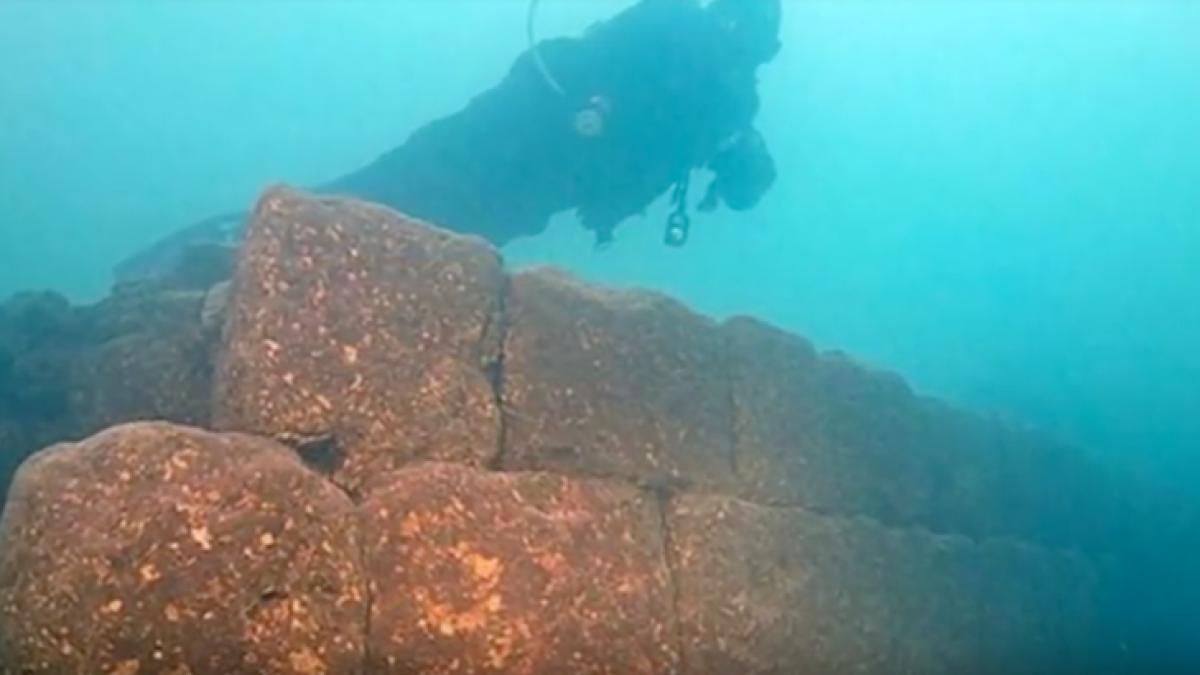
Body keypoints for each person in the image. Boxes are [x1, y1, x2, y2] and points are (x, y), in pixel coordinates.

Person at [115, 0, 781, 283]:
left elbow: (736, 177)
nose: (752, 49)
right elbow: (633, 85)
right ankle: (218, 246)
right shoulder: (681, 39)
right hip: (520, 136)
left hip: (539, 176)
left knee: (406, 220)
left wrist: (737, 160)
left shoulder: (727, 97)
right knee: (390, 198)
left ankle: (232, 248)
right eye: (751, 33)